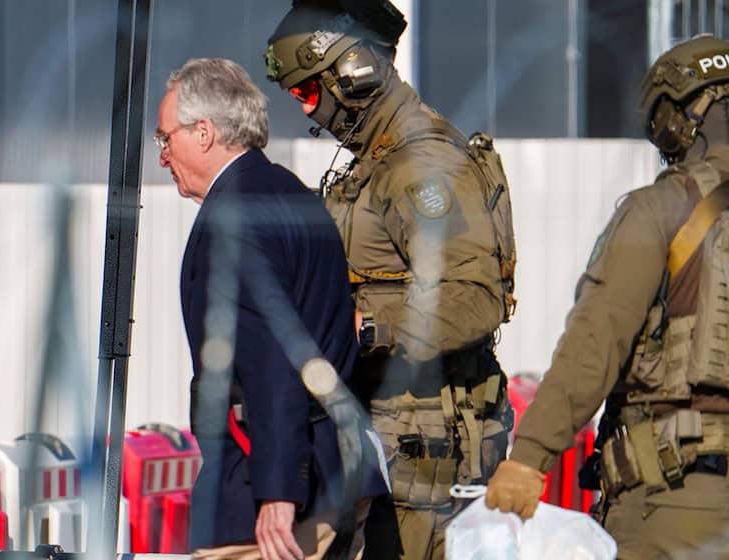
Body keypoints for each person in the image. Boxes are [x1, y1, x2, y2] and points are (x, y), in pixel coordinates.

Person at [486, 34, 729, 558]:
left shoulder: (658, 211)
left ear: (673, 123)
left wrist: (528, 458)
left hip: (667, 508)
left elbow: (594, 345)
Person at [266, 2, 516, 558]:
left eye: (308, 93)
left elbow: (476, 300)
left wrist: (363, 326)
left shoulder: (419, 164)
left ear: (351, 73)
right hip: (395, 442)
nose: (309, 111)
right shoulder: (375, 160)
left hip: (424, 460)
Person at [160, 57, 388, 560]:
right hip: (335, 473)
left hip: (273, 501)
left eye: (165, 138)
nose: (162, 156)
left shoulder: (235, 218)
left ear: (203, 132)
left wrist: (279, 491)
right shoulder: (289, 193)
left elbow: (272, 363)